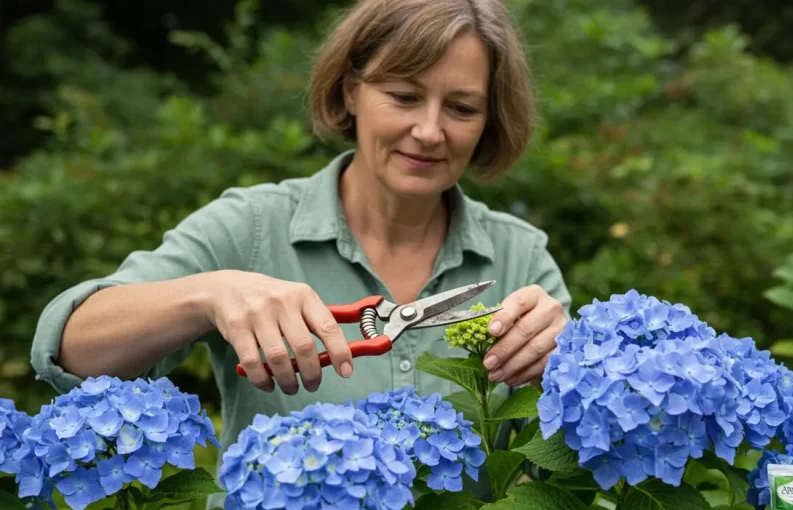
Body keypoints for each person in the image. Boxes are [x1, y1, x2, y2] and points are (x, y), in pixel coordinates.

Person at [30, 0, 570, 471]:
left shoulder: (520, 257)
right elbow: (68, 350)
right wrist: (210, 294)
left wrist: (562, 366)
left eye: (461, 107)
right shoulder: (252, 227)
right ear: (351, 90)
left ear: (489, 119)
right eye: (404, 96)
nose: (430, 131)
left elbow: (567, 466)